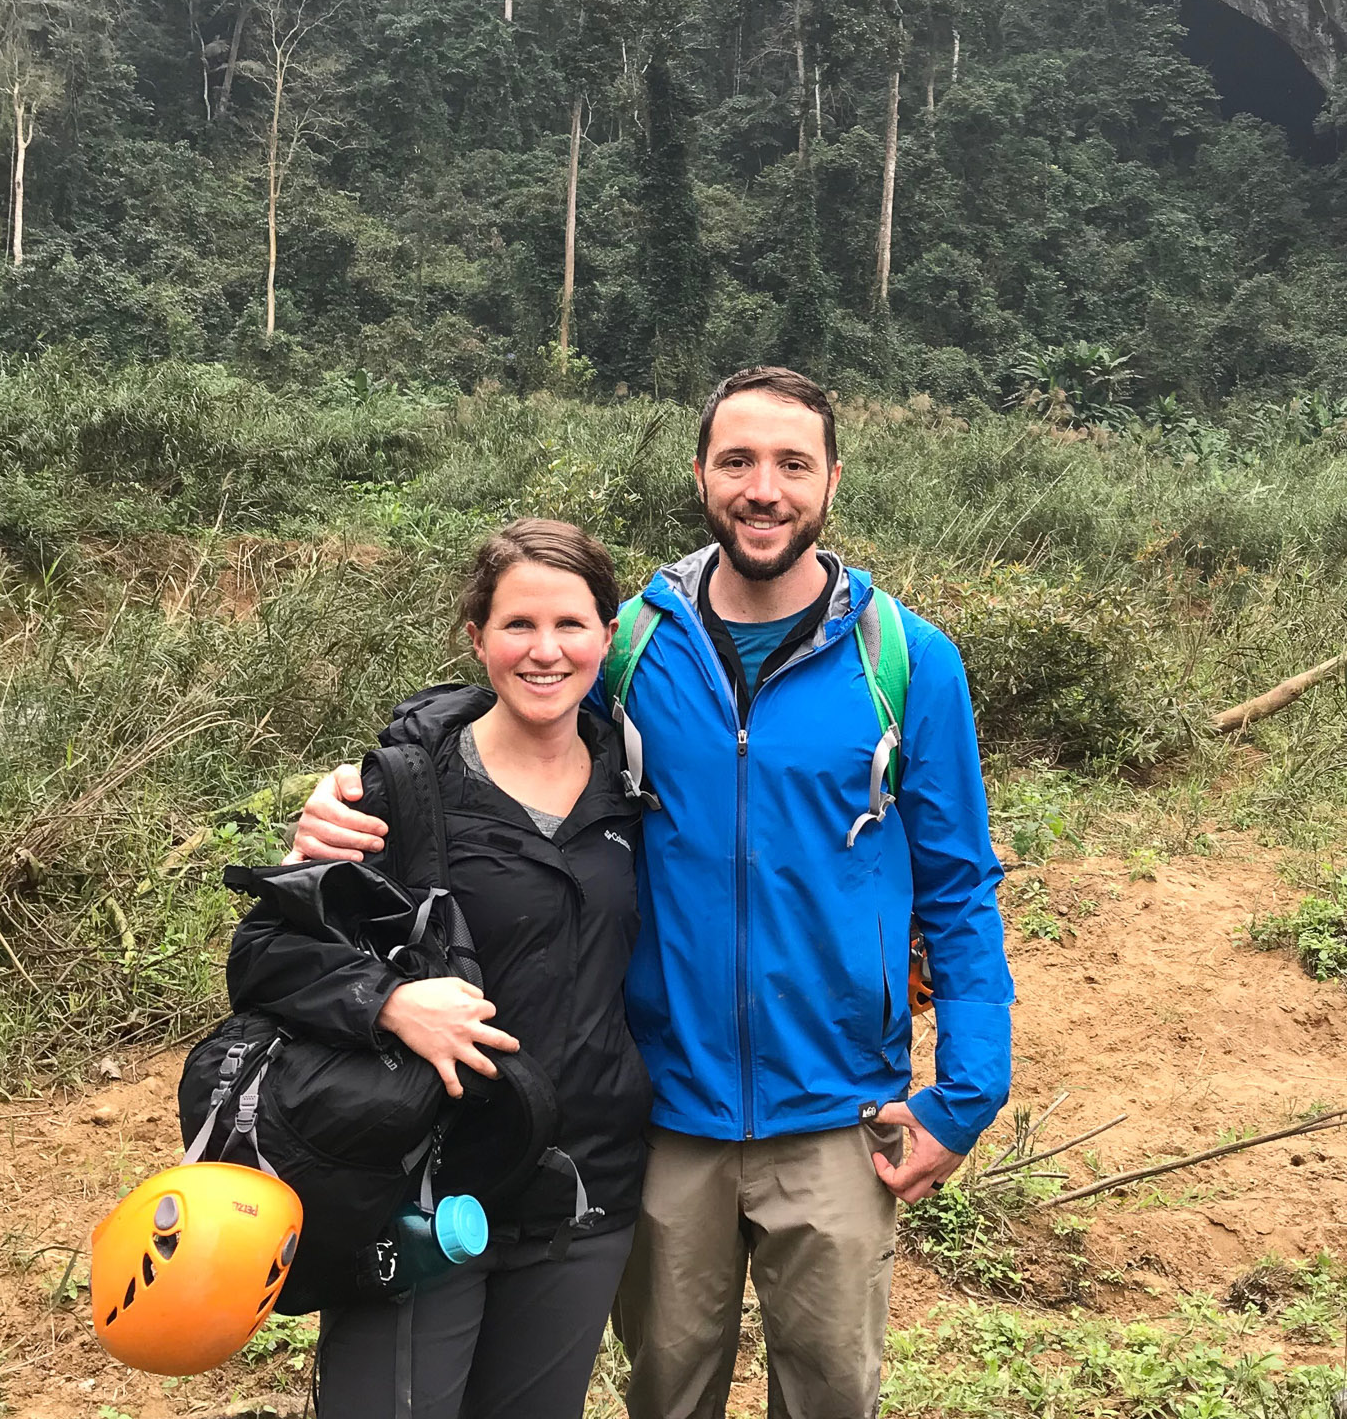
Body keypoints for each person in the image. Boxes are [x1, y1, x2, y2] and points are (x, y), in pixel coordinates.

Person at [295, 368, 1013, 1419]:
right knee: (666, 1394)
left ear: (831, 481)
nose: (763, 487)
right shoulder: (633, 641)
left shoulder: (905, 659)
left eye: (790, 464)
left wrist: (969, 1088)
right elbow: (514, 701)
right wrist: (360, 791)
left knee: (834, 1394)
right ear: (701, 475)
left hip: (841, 1112)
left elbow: (959, 886)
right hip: (664, 1110)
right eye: (738, 461)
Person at [245, 518, 650, 1419]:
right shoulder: (400, 790)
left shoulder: (639, 783)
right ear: (476, 638)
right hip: (421, 1181)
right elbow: (265, 953)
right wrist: (389, 1002)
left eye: (572, 626)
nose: (545, 652)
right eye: (517, 626)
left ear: (608, 635)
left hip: (585, 1186)